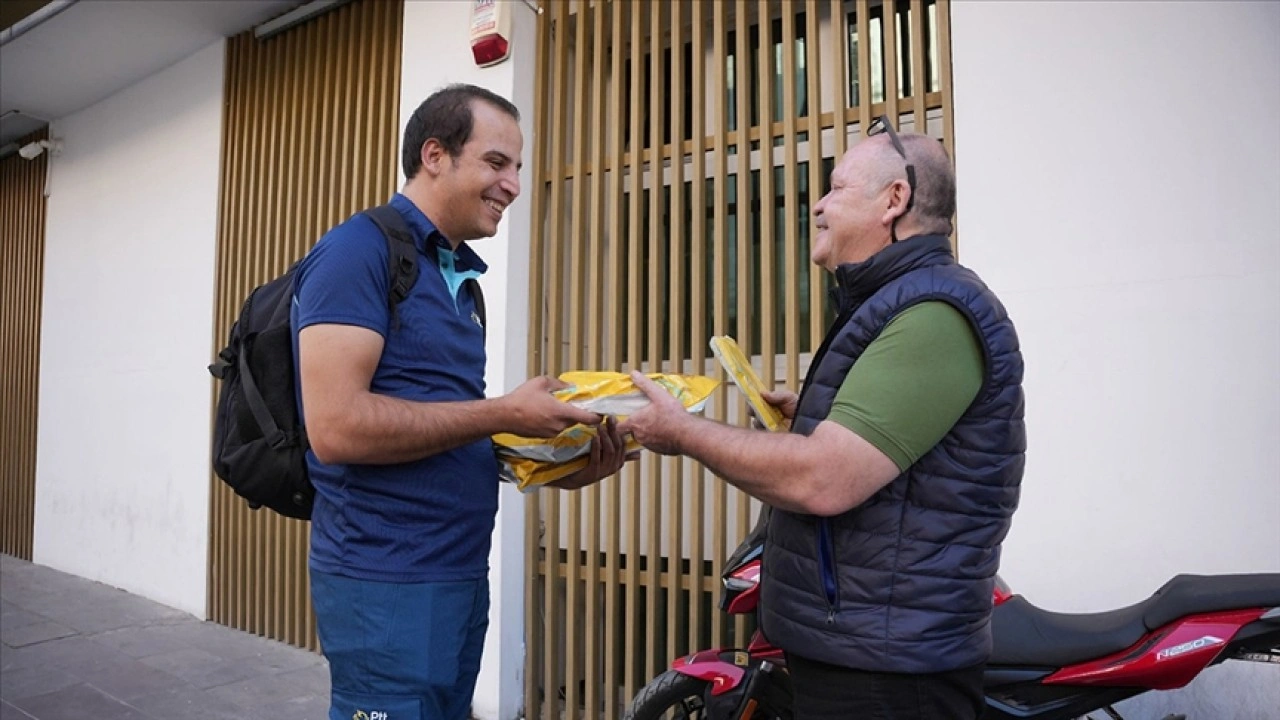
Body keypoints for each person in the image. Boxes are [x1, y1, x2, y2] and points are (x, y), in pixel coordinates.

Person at [620, 117, 1025, 720]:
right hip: (863, 653)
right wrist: (804, 422)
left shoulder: (934, 313)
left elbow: (825, 478)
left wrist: (683, 431)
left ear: (895, 200)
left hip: (888, 678)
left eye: (836, 188)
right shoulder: (897, 302)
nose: (817, 205)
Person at [292, 84, 627, 720]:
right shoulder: (356, 253)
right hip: (385, 582)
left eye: (518, 167)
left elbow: (445, 428)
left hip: (457, 575)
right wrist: (503, 410)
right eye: (497, 163)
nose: (514, 185)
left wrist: (560, 463)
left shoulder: (457, 281)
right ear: (435, 155)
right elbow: (336, 428)